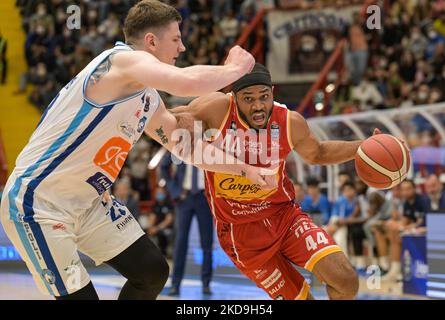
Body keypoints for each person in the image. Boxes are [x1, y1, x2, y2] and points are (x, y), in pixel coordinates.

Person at [0, 0, 267, 300]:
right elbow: (185, 82)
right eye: (176, 39)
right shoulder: (120, 62)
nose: (181, 49)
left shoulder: (147, 98)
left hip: (87, 203)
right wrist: (235, 68)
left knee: (152, 271)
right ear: (151, 41)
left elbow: (186, 148)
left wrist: (244, 168)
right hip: (39, 204)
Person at [168, 63, 386, 300]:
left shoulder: (289, 122)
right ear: (234, 97)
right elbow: (170, 119)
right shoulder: (215, 109)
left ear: (272, 91)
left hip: (284, 216)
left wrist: (362, 146)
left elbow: (319, 153)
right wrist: (178, 123)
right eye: (248, 99)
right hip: (242, 234)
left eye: (264, 96)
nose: (258, 105)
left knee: (346, 281)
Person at [160, 154, 213, 296]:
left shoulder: (209, 142)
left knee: (207, 244)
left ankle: (206, 284)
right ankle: (175, 285)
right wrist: (175, 191)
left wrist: (213, 192)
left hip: (205, 198)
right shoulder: (180, 144)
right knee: (180, 242)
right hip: (185, 199)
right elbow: (163, 167)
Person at [147, 187, 174, 257]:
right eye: (157, 193)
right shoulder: (155, 205)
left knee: (161, 233)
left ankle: (164, 253)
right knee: (145, 232)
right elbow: (152, 217)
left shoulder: (169, 204)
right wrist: (150, 227)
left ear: (164, 194)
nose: (159, 195)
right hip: (156, 227)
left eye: (160, 193)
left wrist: (157, 228)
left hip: (167, 228)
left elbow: (168, 220)